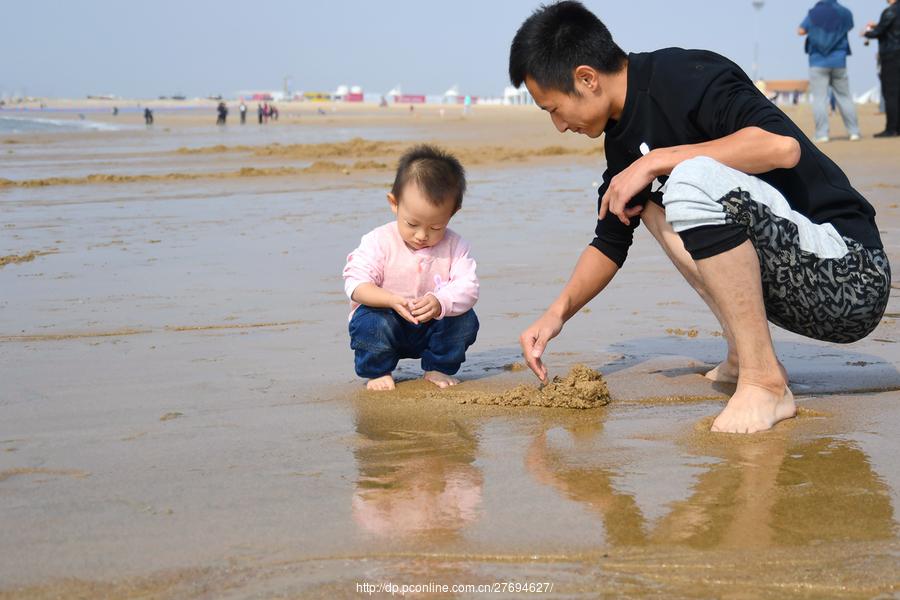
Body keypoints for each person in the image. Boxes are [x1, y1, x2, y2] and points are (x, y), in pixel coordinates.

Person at [509, 1, 890, 433]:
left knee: (685, 179)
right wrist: (554, 315)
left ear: (586, 78)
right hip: (798, 281)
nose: (558, 126)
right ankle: (744, 354)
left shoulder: (684, 75)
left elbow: (782, 147)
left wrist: (659, 162)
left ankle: (764, 381)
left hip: (852, 275)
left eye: (554, 109)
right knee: (643, 200)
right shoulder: (621, 143)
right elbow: (609, 242)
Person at [342, 145, 479, 391]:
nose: (421, 235)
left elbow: (468, 287)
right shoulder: (378, 241)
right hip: (386, 321)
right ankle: (378, 371)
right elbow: (355, 284)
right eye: (412, 223)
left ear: (452, 213)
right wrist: (391, 300)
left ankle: (439, 366)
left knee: (465, 319)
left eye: (436, 227)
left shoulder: (456, 246)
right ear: (394, 203)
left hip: (432, 325)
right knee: (369, 321)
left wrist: (441, 302)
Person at [798, 0, 861, 142]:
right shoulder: (845, 12)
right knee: (844, 97)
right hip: (839, 60)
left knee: (820, 99)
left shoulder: (813, 13)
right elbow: (850, 26)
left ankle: (822, 134)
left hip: (818, 61)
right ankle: (854, 132)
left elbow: (800, 30)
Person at [863, 0, 900, 137]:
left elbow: (879, 31)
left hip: (891, 56)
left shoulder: (890, 11)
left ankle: (891, 129)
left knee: (890, 93)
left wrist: (867, 33)